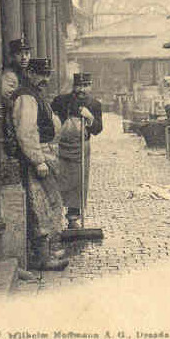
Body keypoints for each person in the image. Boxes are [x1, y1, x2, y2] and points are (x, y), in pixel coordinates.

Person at [11, 58, 69, 271]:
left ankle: (49, 250)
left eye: (48, 74)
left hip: (46, 152)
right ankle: (42, 258)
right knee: (40, 205)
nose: (45, 79)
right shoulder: (26, 97)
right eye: (41, 74)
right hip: (37, 155)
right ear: (30, 73)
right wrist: (38, 161)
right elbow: (26, 132)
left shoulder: (35, 94)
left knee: (51, 202)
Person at [52, 72, 103, 230]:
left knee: (78, 183)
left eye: (85, 86)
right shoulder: (61, 101)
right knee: (59, 180)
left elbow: (97, 130)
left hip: (81, 148)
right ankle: (54, 216)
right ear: (73, 86)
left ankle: (73, 217)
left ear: (91, 86)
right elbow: (50, 118)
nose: (81, 90)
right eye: (78, 86)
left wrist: (90, 118)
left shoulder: (95, 105)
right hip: (61, 146)